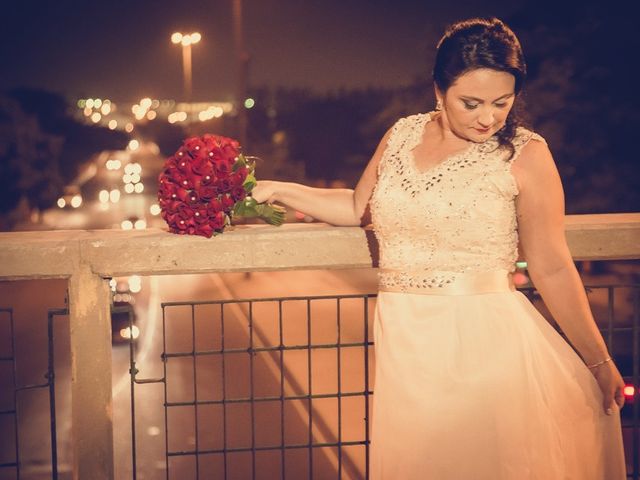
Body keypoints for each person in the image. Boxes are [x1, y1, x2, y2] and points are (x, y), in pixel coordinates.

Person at [251, 17, 627, 479]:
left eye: (502, 103)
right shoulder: (401, 134)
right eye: (471, 103)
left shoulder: (527, 154)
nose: (488, 118)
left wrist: (599, 359)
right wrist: (278, 189)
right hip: (404, 342)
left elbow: (550, 265)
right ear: (438, 90)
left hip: (485, 348)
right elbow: (357, 205)